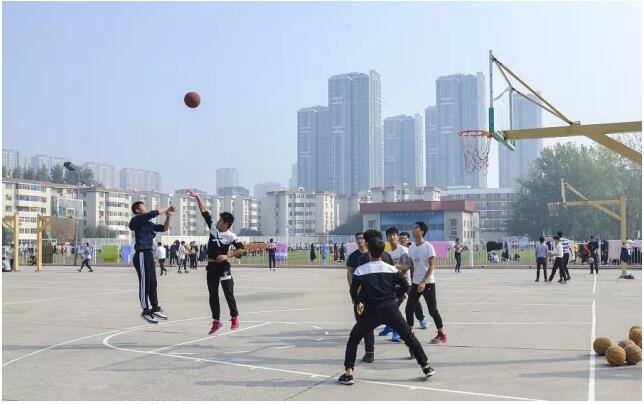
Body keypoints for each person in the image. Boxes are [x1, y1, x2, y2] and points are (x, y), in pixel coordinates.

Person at [338, 237, 436, 385]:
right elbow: (405, 285)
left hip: (370, 311)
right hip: (390, 309)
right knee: (409, 337)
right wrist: (397, 294)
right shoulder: (391, 269)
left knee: (354, 339)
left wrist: (358, 303)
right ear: (383, 252)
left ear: (368, 252)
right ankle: (426, 366)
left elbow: (353, 290)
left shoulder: (360, 270)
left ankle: (349, 373)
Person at [188, 191, 245, 335]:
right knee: (213, 295)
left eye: (221, 220)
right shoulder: (213, 227)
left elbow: (241, 249)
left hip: (223, 267)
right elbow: (204, 211)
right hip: (211, 267)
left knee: (228, 293)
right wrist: (197, 197)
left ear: (226, 224)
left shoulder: (231, 236)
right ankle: (216, 321)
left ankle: (234, 317)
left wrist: (228, 255)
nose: (218, 221)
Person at [129, 201, 174, 324]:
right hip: (141, 254)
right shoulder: (137, 219)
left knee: (153, 283)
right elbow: (154, 213)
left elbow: (164, 228)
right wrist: (166, 208)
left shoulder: (148, 223)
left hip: (148, 254)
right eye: (144, 206)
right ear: (137, 210)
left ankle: (155, 308)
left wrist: (169, 216)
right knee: (145, 283)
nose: (146, 207)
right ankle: (145, 310)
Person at [378, 227, 426, 342]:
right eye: (389, 235)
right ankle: (389, 326)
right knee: (389, 308)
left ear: (397, 237)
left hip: (404, 284)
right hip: (394, 285)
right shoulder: (389, 253)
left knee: (394, 308)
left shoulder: (403, 250)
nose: (392, 237)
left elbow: (407, 265)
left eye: (394, 235)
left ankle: (397, 331)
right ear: (387, 237)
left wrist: (397, 271)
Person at [406, 221, 447, 344]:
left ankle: (441, 334)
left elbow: (431, 267)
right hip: (415, 282)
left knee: (432, 310)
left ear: (422, 231)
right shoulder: (411, 247)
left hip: (427, 283)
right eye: (413, 227)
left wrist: (423, 282)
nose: (413, 229)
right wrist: (399, 268)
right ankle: (410, 334)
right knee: (409, 308)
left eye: (416, 227)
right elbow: (410, 265)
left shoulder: (428, 247)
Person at [345, 232, 375, 363]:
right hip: (359, 294)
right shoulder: (353, 256)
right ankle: (369, 351)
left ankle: (369, 351)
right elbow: (349, 273)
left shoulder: (372, 255)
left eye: (362, 238)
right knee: (362, 321)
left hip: (372, 294)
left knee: (366, 323)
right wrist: (353, 291)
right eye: (358, 238)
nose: (360, 240)